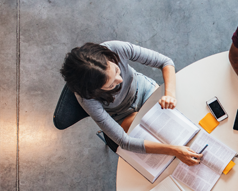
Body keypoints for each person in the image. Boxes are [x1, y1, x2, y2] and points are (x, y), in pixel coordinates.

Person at [59, 41, 201, 165]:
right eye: (111, 85)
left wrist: (169, 95)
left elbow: (165, 62)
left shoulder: (115, 48)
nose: (120, 80)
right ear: (94, 91)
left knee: (181, 119)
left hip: (145, 91)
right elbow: (124, 141)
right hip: (121, 115)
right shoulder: (87, 98)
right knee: (160, 141)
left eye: (116, 70)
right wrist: (174, 151)